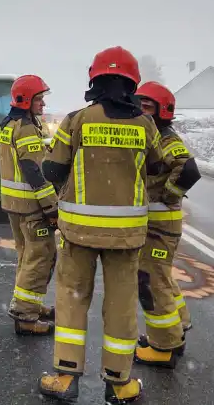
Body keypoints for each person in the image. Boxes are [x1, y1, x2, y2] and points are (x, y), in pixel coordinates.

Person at [38, 46, 165, 404]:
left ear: (94, 78)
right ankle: (119, 382)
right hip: (126, 238)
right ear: (132, 82)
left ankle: (65, 377)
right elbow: (156, 167)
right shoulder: (145, 125)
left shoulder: (78, 120)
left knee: (71, 298)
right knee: (122, 305)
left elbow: (51, 169)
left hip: (77, 233)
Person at [133, 81, 201, 368]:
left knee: (150, 282)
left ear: (163, 111)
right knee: (163, 278)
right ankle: (178, 327)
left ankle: (164, 346)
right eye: (140, 106)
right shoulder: (154, 135)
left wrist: (168, 195)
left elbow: (189, 170)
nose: (142, 111)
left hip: (161, 225)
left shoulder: (165, 138)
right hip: (160, 225)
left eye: (147, 107)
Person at [0, 74, 60, 336]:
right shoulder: (24, 128)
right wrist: (51, 207)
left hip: (14, 204)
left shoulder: (8, 123)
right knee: (40, 257)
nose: (43, 104)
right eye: (39, 99)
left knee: (26, 256)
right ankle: (25, 316)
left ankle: (30, 304)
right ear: (25, 100)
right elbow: (34, 170)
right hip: (31, 206)